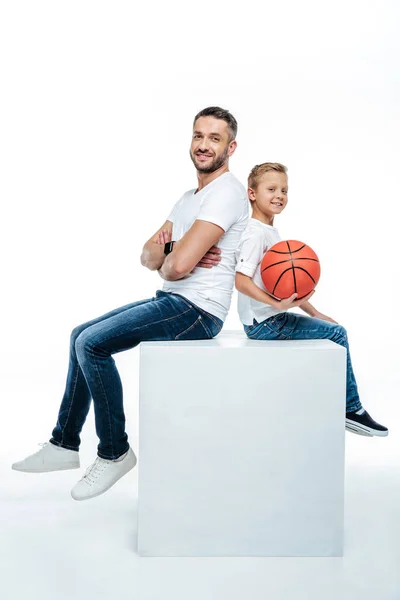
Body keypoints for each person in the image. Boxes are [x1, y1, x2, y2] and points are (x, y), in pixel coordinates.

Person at [12, 106, 249, 500]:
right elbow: (148, 257)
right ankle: (65, 444)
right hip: (175, 299)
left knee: (93, 344)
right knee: (79, 335)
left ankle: (114, 451)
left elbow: (175, 268)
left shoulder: (226, 193)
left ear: (231, 146)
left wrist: (175, 258)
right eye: (198, 136)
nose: (203, 145)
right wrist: (177, 251)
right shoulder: (189, 198)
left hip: (199, 310)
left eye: (214, 138)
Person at [235, 162, 388, 437]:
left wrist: (314, 312)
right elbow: (241, 281)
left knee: (330, 330)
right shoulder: (255, 233)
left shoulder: (270, 232)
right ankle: (351, 409)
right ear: (252, 194)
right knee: (338, 335)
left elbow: (288, 285)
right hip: (265, 323)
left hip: (269, 317)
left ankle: (327, 404)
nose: (279, 195)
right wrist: (276, 305)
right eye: (271, 189)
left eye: (284, 189)